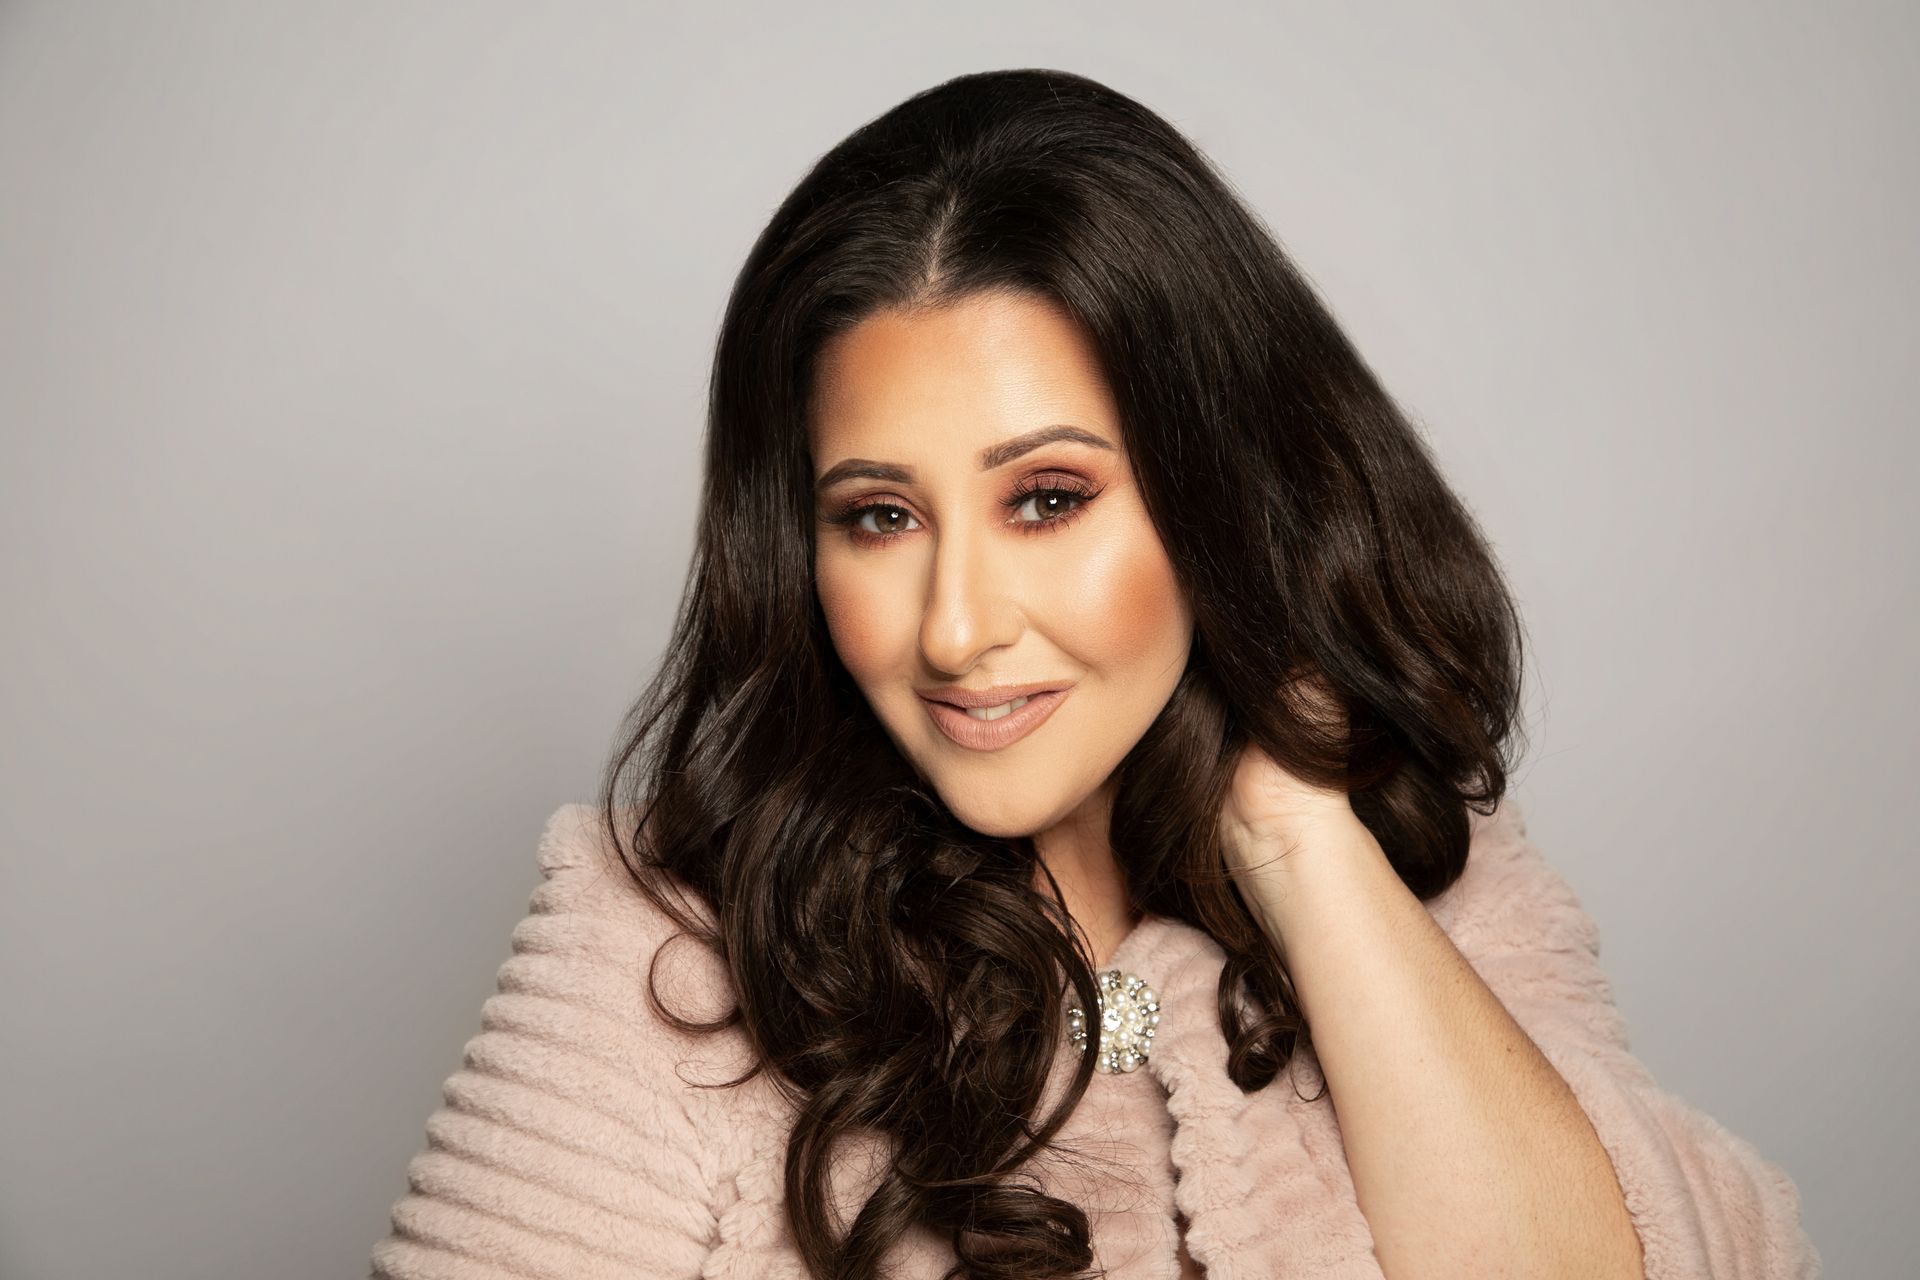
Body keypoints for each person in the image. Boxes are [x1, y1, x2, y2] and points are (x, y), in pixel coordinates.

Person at [368, 68, 1821, 1279]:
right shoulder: (659, 944)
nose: (954, 629)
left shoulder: (1439, 888)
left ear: (1218, 501)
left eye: (1048, 499)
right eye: (879, 518)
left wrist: (1294, 833)